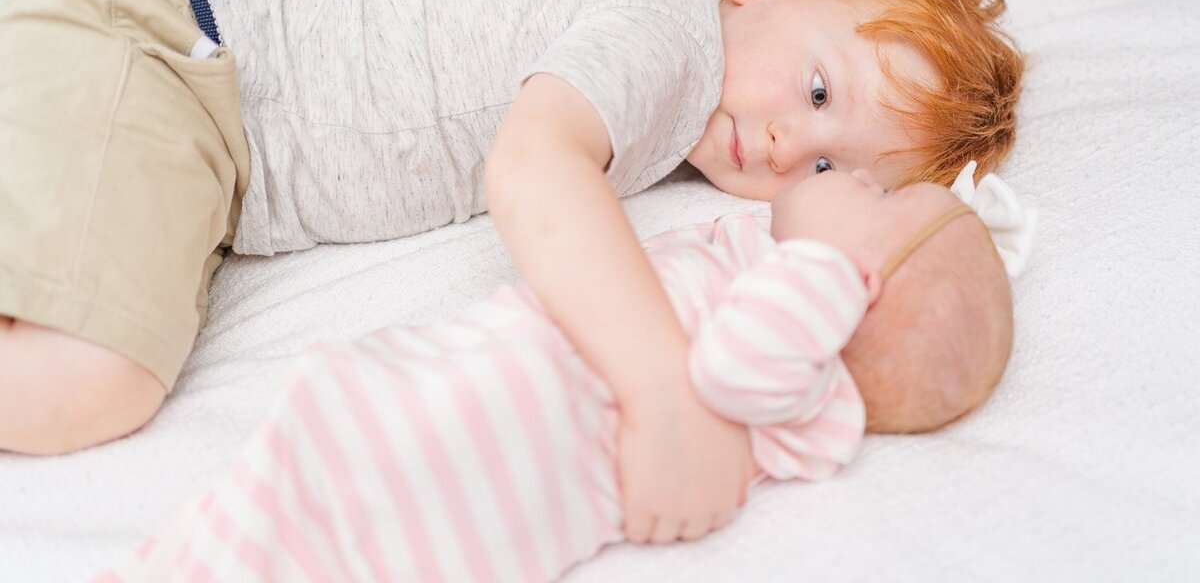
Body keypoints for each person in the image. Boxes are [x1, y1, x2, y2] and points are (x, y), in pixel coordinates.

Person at [0, 0, 1023, 543]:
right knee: (96, 375)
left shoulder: (686, 128)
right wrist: (664, 388)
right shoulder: (665, 30)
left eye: (827, 165)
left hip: (187, 122)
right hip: (165, 52)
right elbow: (533, 165)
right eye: (815, 88)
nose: (785, 143)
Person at [97, 164, 1033, 583]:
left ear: (855, 288)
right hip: (447, 457)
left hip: (456, 455)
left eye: (869, 193)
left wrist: (821, 264)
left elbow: (736, 366)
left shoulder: (800, 359)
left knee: (286, 527)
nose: (853, 175)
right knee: (248, 535)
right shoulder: (783, 303)